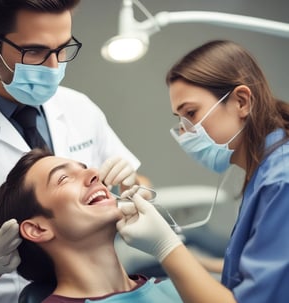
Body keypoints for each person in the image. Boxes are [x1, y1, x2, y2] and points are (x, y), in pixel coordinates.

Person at [0, 1, 148, 302]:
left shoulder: (79, 108)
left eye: (63, 48)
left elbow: (138, 182)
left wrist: (134, 188)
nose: (54, 67)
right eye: (34, 51)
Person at [117, 40, 289, 302]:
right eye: (179, 120)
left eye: (191, 113)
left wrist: (166, 246)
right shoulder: (266, 172)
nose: (185, 133)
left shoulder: (281, 182)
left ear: (241, 101)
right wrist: (197, 262)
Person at [0, 148, 183, 303]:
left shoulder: (180, 289)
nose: (94, 173)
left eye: (84, 167)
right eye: (63, 178)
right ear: (38, 229)